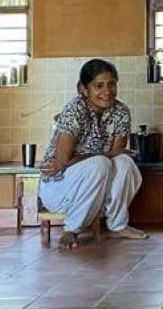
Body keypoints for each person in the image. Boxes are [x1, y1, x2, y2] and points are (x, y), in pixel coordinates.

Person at [38, 58, 147, 249]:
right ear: (83, 88)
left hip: (96, 186)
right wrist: (104, 156)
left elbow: (118, 155)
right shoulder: (74, 110)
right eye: (99, 85)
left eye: (111, 84)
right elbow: (63, 161)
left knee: (124, 162)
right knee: (101, 163)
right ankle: (71, 229)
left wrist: (107, 155)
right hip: (59, 186)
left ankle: (117, 224)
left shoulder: (120, 111)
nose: (107, 91)